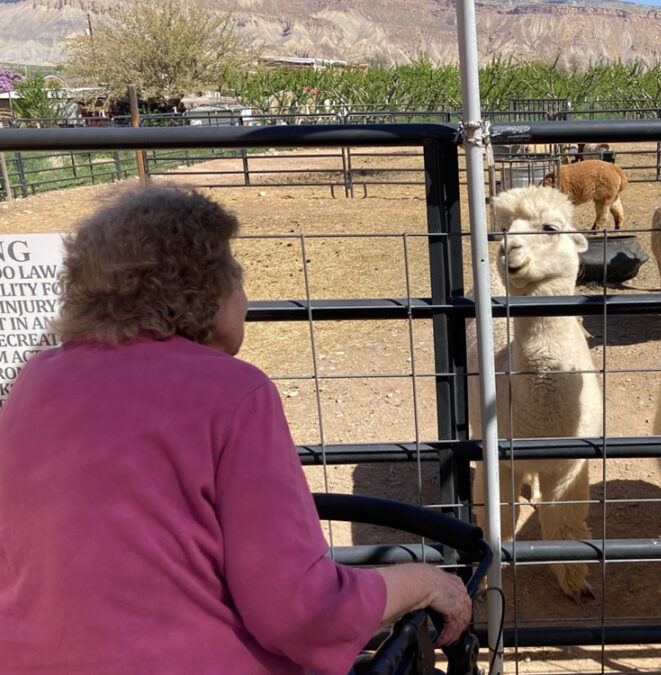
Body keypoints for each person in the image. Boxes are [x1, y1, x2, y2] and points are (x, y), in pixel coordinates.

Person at [0, 185, 472, 674]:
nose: (245, 298)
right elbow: (303, 611)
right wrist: (423, 580)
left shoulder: (38, 378)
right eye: (237, 277)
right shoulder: (232, 392)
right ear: (204, 290)